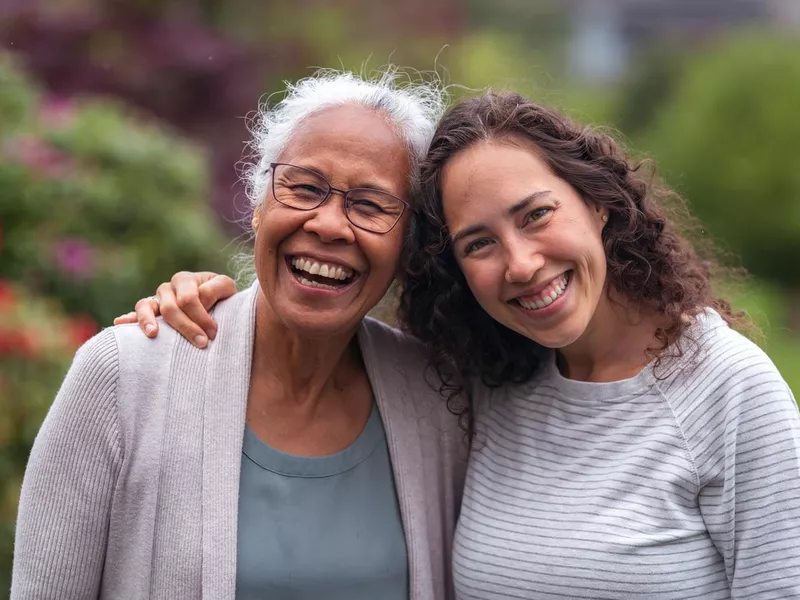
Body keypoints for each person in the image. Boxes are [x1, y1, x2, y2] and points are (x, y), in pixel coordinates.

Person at [125, 90, 800, 599]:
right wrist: (204, 297)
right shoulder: (487, 382)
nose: (523, 264)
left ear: (596, 202)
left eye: (536, 215)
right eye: (479, 243)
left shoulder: (728, 391)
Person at [11, 70, 467, 600]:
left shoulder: (440, 401)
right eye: (304, 187)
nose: (327, 224)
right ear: (258, 206)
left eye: (370, 205)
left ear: (408, 249)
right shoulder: (123, 377)